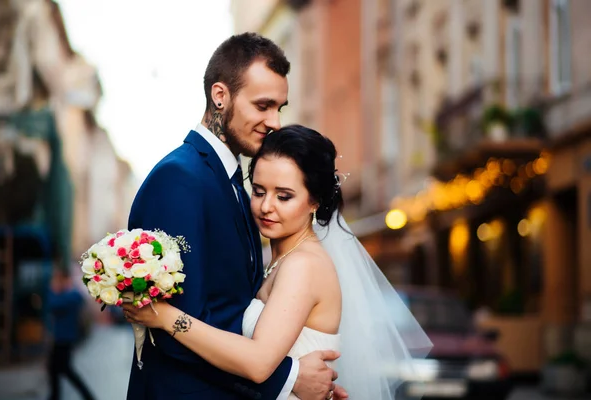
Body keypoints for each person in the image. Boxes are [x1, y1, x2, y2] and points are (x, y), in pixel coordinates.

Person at [125, 126, 433, 399]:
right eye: (258, 192)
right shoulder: (280, 260)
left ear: (314, 201)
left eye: (284, 196)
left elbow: (258, 363)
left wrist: (166, 318)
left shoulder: (304, 265)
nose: (266, 207)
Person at [125, 33, 346, 400]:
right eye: (263, 106)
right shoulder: (180, 180)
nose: (275, 121)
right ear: (220, 96)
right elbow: (172, 325)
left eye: (280, 107)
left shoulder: (238, 188)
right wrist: (288, 379)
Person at [47, 269, 95, 400]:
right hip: (61, 338)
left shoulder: (72, 295)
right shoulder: (68, 295)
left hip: (65, 338)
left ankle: (87, 396)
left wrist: (53, 290)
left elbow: (53, 304)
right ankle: (55, 396)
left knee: (65, 370)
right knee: (56, 369)